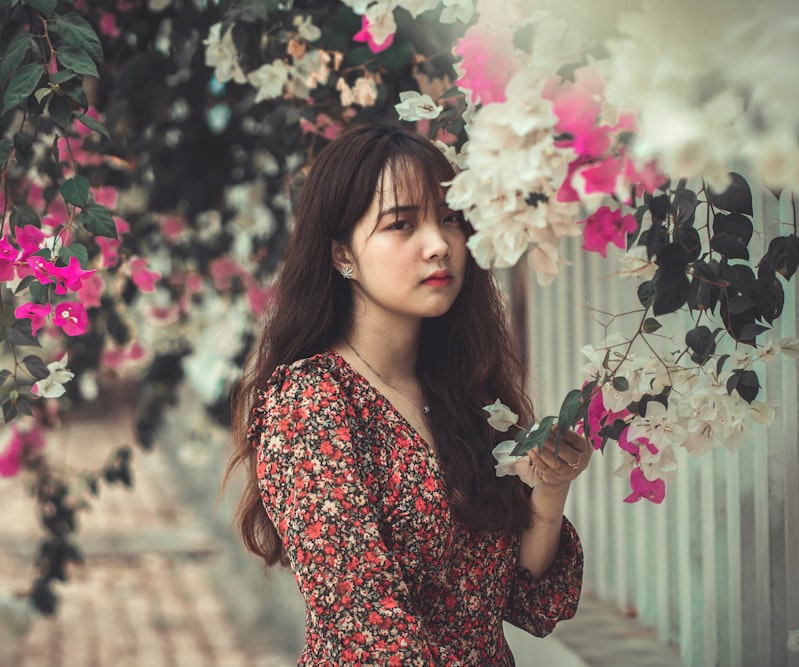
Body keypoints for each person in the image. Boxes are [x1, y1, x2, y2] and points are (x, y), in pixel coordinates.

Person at [228, 122, 592, 665]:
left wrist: (550, 487)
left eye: (449, 220)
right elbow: (362, 623)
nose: (439, 245)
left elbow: (525, 600)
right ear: (340, 255)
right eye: (402, 224)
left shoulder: (462, 392)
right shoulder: (310, 402)